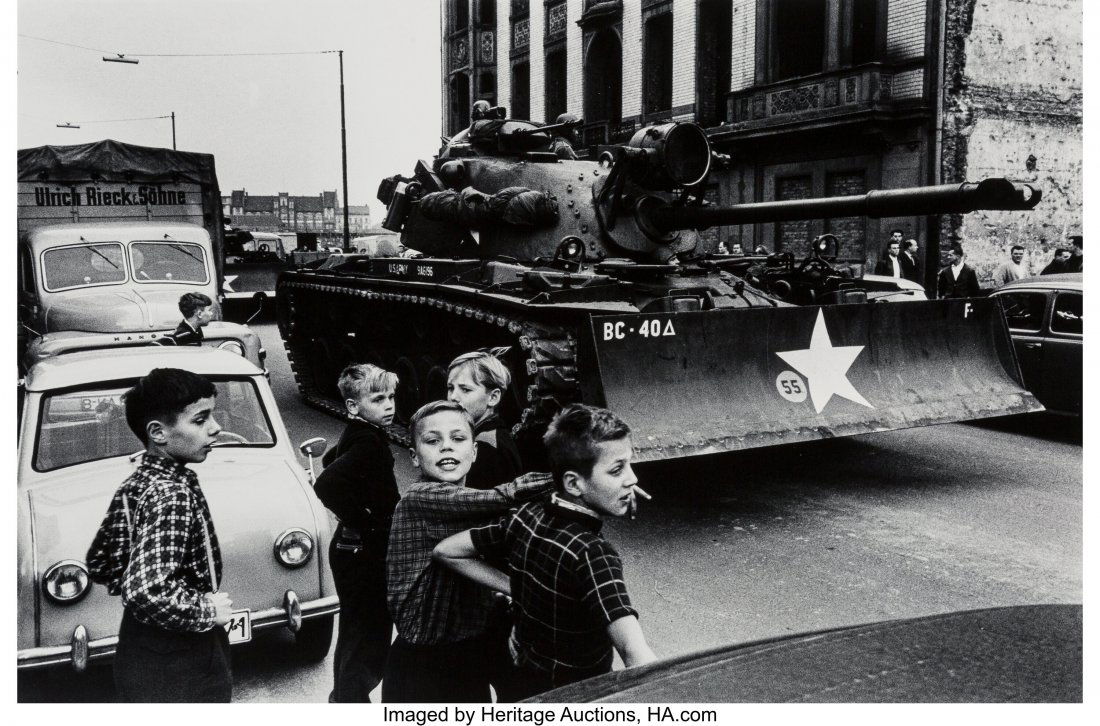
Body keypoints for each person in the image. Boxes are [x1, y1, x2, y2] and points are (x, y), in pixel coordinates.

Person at [434, 404, 657, 700]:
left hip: (522, 681)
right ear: (573, 483)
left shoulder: (525, 516)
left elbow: (447, 551)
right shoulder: (594, 554)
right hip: (578, 695)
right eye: (617, 470)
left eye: (629, 464)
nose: (633, 479)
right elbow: (633, 651)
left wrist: (517, 587)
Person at [382, 400, 553, 703]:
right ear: (414, 457)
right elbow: (505, 496)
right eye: (432, 441)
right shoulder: (421, 498)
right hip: (422, 667)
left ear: (474, 452)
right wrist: (579, 477)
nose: (446, 447)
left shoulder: (462, 503)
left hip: (464, 654)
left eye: (458, 438)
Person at [86, 368, 234, 702]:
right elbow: (146, 591)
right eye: (200, 420)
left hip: (138, 646)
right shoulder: (172, 493)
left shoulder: (137, 482)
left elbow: (100, 562)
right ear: (158, 432)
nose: (216, 428)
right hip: (181, 657)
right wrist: (206, 610)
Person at [313, 363, 401, 702]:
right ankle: (349, 702)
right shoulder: (369, 441)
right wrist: (365, 520)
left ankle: (344, 698)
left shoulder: (362, 432)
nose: (389, 405)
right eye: (378, 399)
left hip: (353, 549)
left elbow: (331, 460)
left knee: (356, 631)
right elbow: (327, 483)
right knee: (368, 635)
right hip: (364, 551)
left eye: (391, 397)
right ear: (353, 405)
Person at [447, 350, 523, 490]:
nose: (453, 397)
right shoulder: (490, 435)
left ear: (493, 397)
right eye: (451, 388)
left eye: (465, 389)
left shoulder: (486, 448)